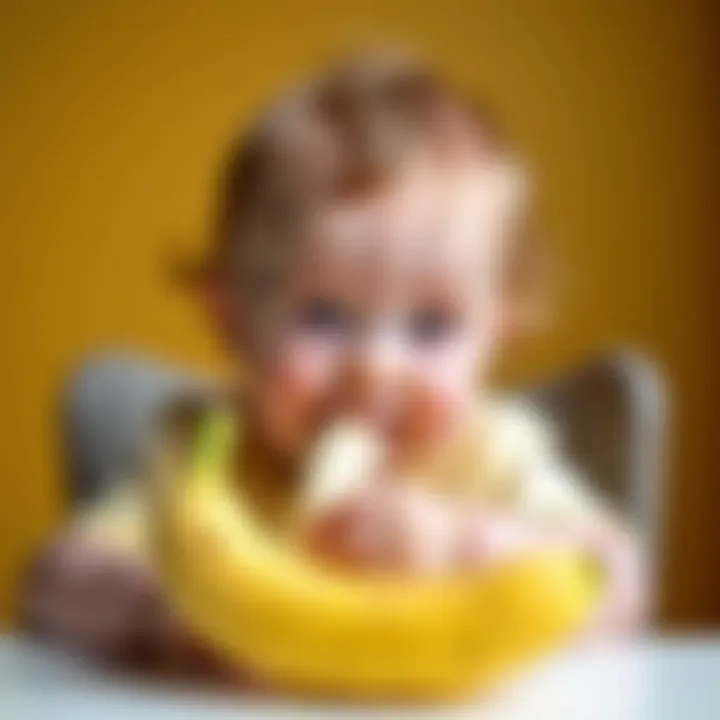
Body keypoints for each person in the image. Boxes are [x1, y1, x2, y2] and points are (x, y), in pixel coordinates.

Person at [22, 50, 645, 680]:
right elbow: (50, 581)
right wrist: (162, 606)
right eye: (324, 317)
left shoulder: (487, 454)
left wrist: (466, 545)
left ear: (499, 332)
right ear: (233, 319)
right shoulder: (207, 452)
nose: (375, 368)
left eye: (430, 327)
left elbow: (618, 579)